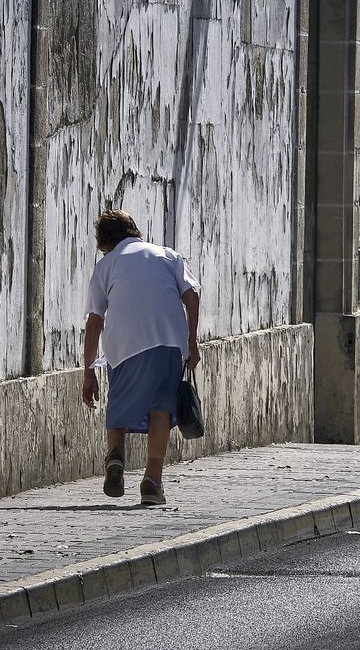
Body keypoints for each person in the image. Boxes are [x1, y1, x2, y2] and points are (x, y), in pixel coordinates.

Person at [81, 209, 201, 506]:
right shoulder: (167, 255)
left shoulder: (105, 266)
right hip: (168, 340)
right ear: (135, 230)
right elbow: (192, 294)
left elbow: (94, 321)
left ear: (102, 244)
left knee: (120, 402)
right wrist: (192, 340)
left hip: (125, 344)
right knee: (161, 408)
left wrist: (88, 371)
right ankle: (152, 482)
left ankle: (116, 457)